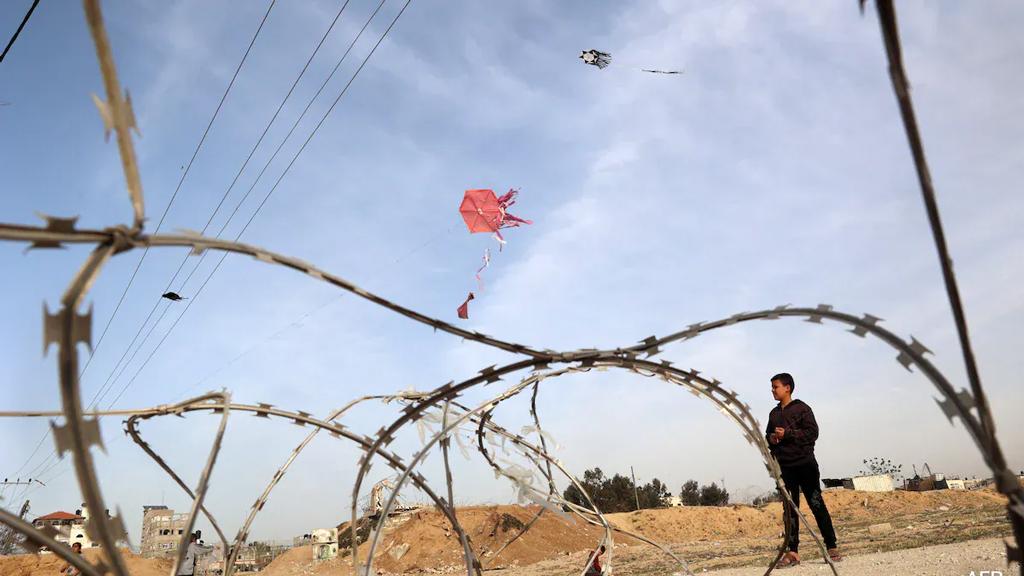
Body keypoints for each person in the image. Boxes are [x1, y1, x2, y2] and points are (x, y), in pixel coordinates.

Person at [766, 372, 842, 567]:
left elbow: (812, 433)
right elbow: (768, 435)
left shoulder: (802, 409)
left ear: (787, 388)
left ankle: (831, 547)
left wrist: (789, 433)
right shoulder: (773, 414)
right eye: (772, 387)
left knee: (816, 504)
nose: (772, 390)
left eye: (775, 386)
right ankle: (793, 553)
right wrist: (772, 439)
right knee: (790, 510)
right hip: (785, 469)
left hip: (805, 465)